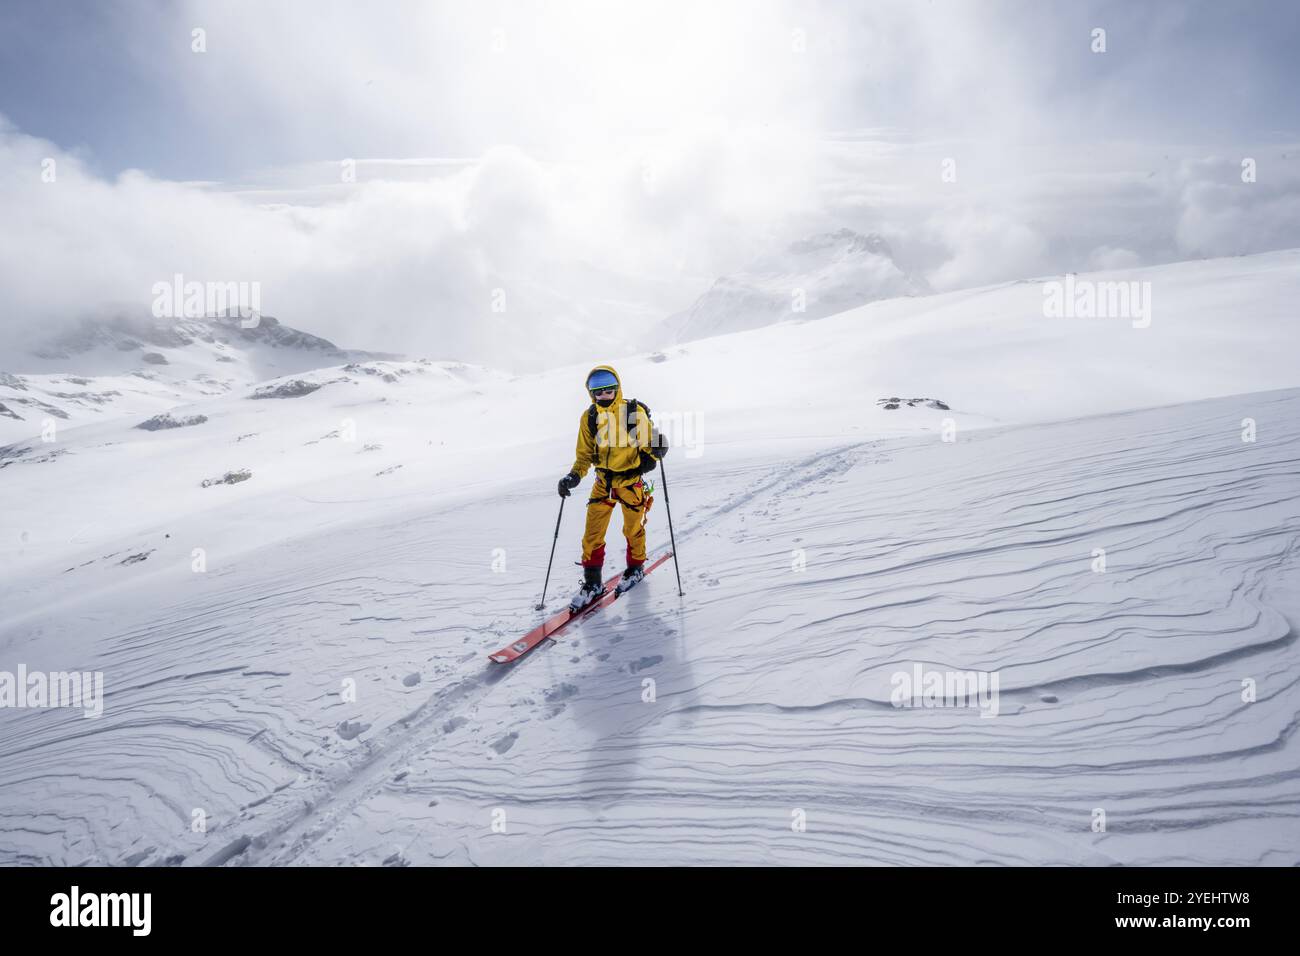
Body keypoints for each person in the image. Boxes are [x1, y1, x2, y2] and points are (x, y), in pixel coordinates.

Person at [557, 365, 668, 610]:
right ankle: (593, 584)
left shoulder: (632, 412)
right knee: (592, 535)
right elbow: (584, 455)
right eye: (598, 392)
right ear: (591, 394)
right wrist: (573, 476)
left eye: (609, 390)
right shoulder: (590, 418)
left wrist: (660, 446)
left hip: (630, 483)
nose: (604, 395)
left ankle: (635, 569)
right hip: (603, 484)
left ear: (617, 389)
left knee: (633, 530)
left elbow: (651, 444)